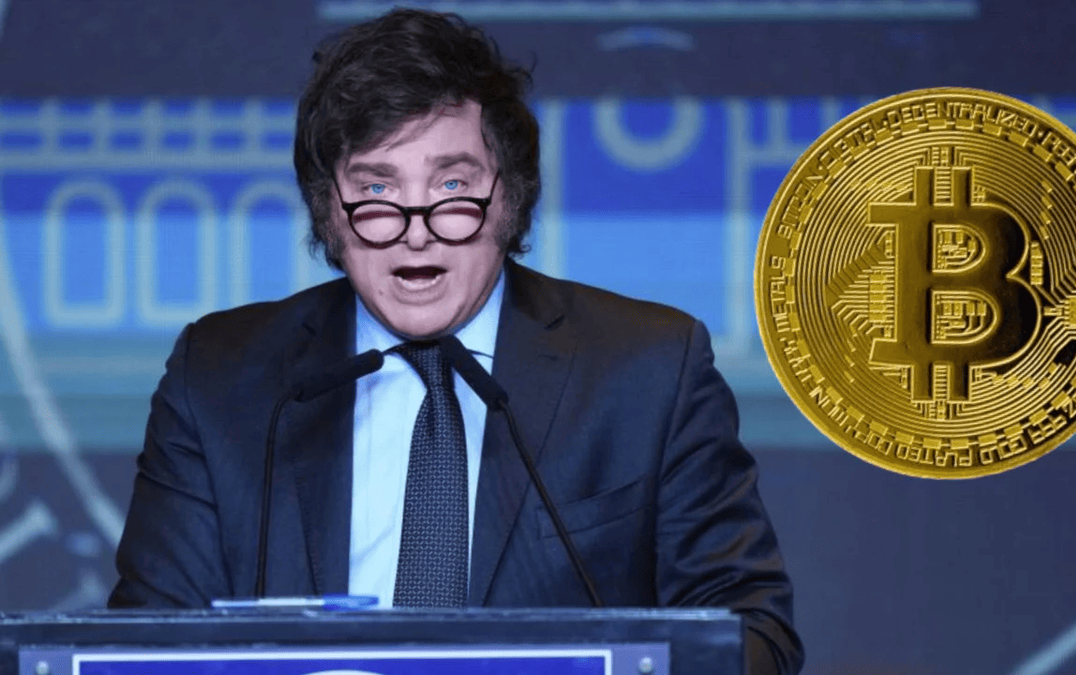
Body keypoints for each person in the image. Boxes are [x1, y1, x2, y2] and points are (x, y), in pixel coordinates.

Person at [108, 8, 803, 674]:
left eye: (451, 184)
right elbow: (141, 647)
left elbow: (750, 631)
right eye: (377, 189)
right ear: (329, 211)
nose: (417, 230)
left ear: (510, 196)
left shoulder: (647, 368)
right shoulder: (219, 376)